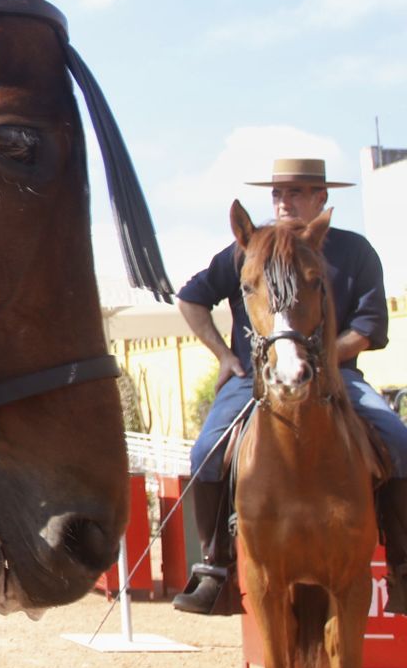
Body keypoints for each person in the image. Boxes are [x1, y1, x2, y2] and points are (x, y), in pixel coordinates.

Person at [172, 158, 407, 615]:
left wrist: (317, 359)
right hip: (258, 377)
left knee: (401, 441)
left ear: (321, 198)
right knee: (206, 451)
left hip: (340, 374)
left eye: (297, 191)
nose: (284, 200)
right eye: (279, 192)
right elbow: (191, 298)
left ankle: (403, 563)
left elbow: (368, 327)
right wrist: (225, 355)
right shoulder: (246, 249)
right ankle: (215, 571)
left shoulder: (354, 251)